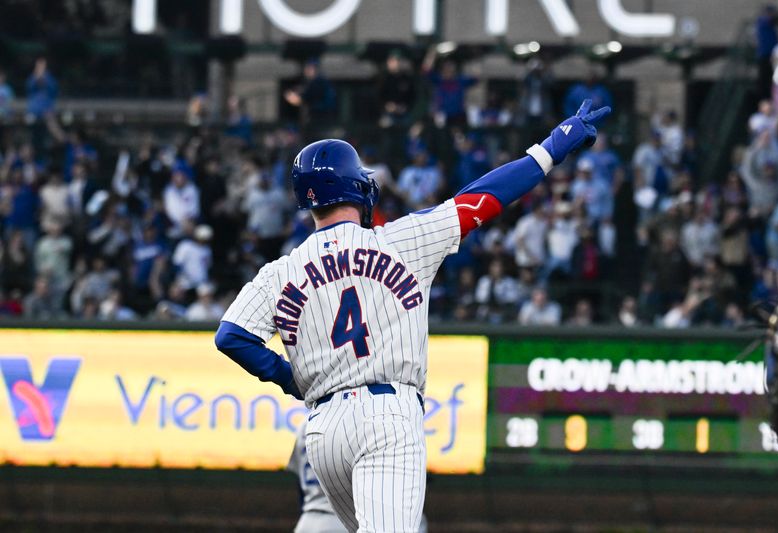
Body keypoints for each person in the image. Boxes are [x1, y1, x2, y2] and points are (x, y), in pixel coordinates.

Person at [214, 99, 610, 531]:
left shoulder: (281, 271)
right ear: (356, 187)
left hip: (322, 431)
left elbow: (231, 335)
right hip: (386, 415)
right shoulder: (401, 240)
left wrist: (288, 377)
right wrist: (551, 148)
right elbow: (483, 198)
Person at [288, 420, 428, 533]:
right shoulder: (367, 422)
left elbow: (299, 483)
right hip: (343, 523)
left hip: (307, 521)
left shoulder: (306, 425)